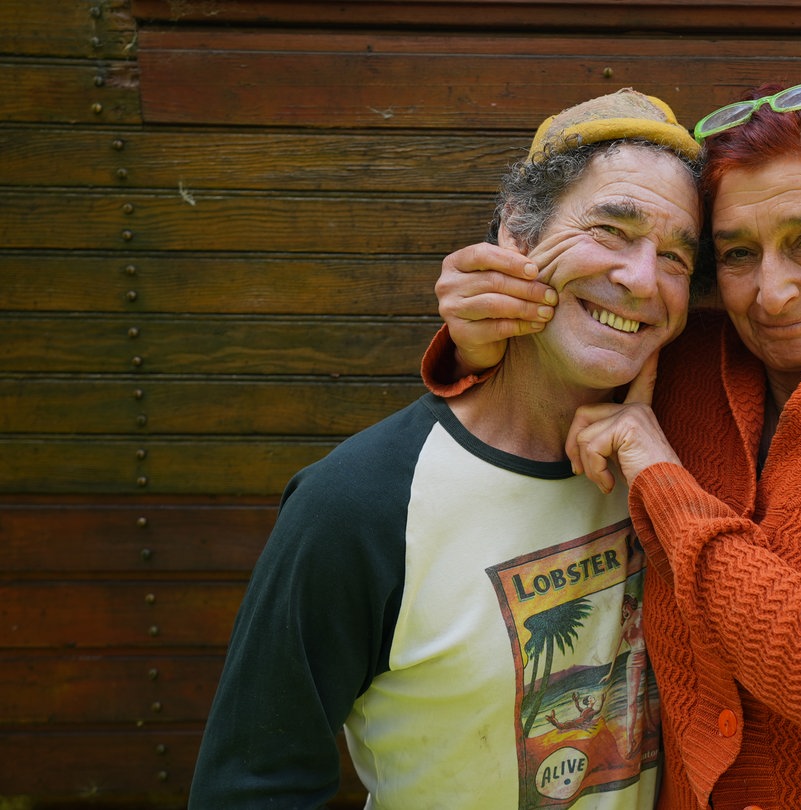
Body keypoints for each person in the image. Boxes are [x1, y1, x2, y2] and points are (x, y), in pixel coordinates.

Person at [423, 81, 801, 808]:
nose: (772, 294)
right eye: (739, 254)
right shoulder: (681, 366)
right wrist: (483, 339)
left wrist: (661, 476)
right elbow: (564, 358)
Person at [189, 88, 706, 809]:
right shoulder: (359, 503)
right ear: (516, 234)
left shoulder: (691, 452)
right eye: (611, 231)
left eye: (676, 257)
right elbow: (253, 787)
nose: (643, 279)